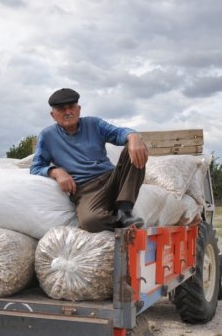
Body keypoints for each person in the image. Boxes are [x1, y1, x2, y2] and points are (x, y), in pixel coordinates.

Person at [30, 88, 149, 232]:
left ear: (79, 109)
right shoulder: (47, 136)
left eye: (71, 107)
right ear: (53, 115)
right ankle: (116, 221)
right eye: (61, 109)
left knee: (137, 147)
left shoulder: (94, 124)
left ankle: (124, 211)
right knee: (90, 222)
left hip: (111, 179)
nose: (68, 112)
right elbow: (36, 167)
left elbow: (118, 133)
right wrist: (55, 171)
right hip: (86, 190)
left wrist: (133, 136)